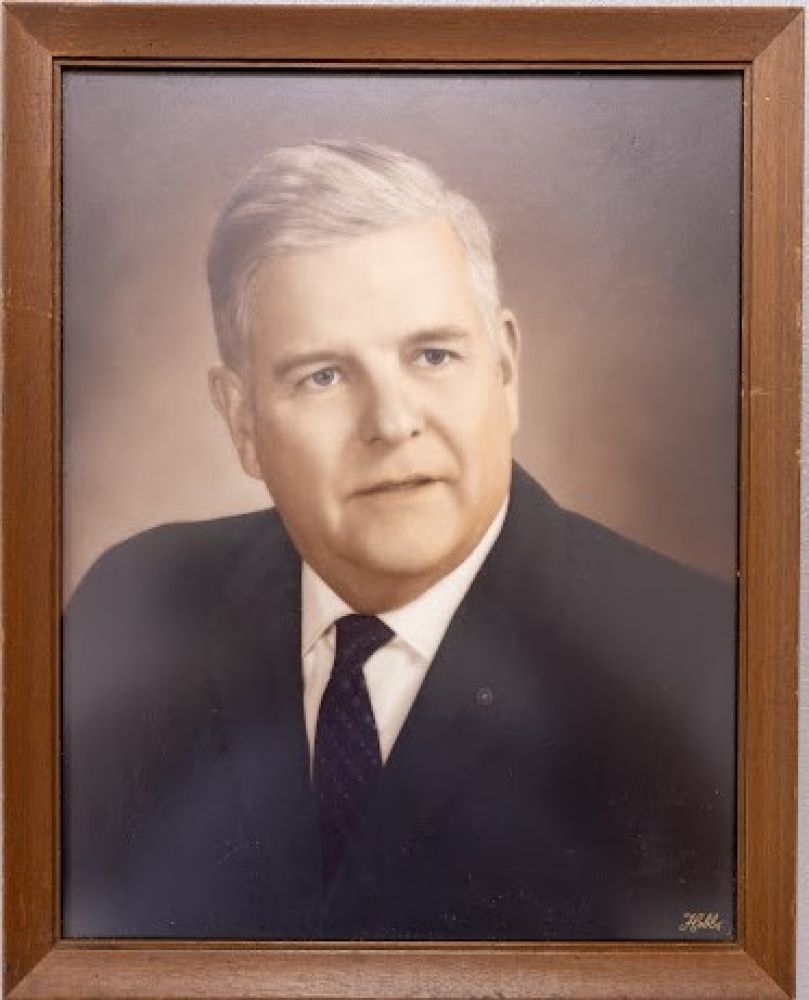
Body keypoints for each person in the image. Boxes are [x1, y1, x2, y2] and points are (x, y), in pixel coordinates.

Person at [62, 141, 736, 942]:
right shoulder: (132, 605)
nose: (391, 422)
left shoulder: (704, 662)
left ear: (506, 370)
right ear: (241, 422)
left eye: (433, 355)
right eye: (323, 375)